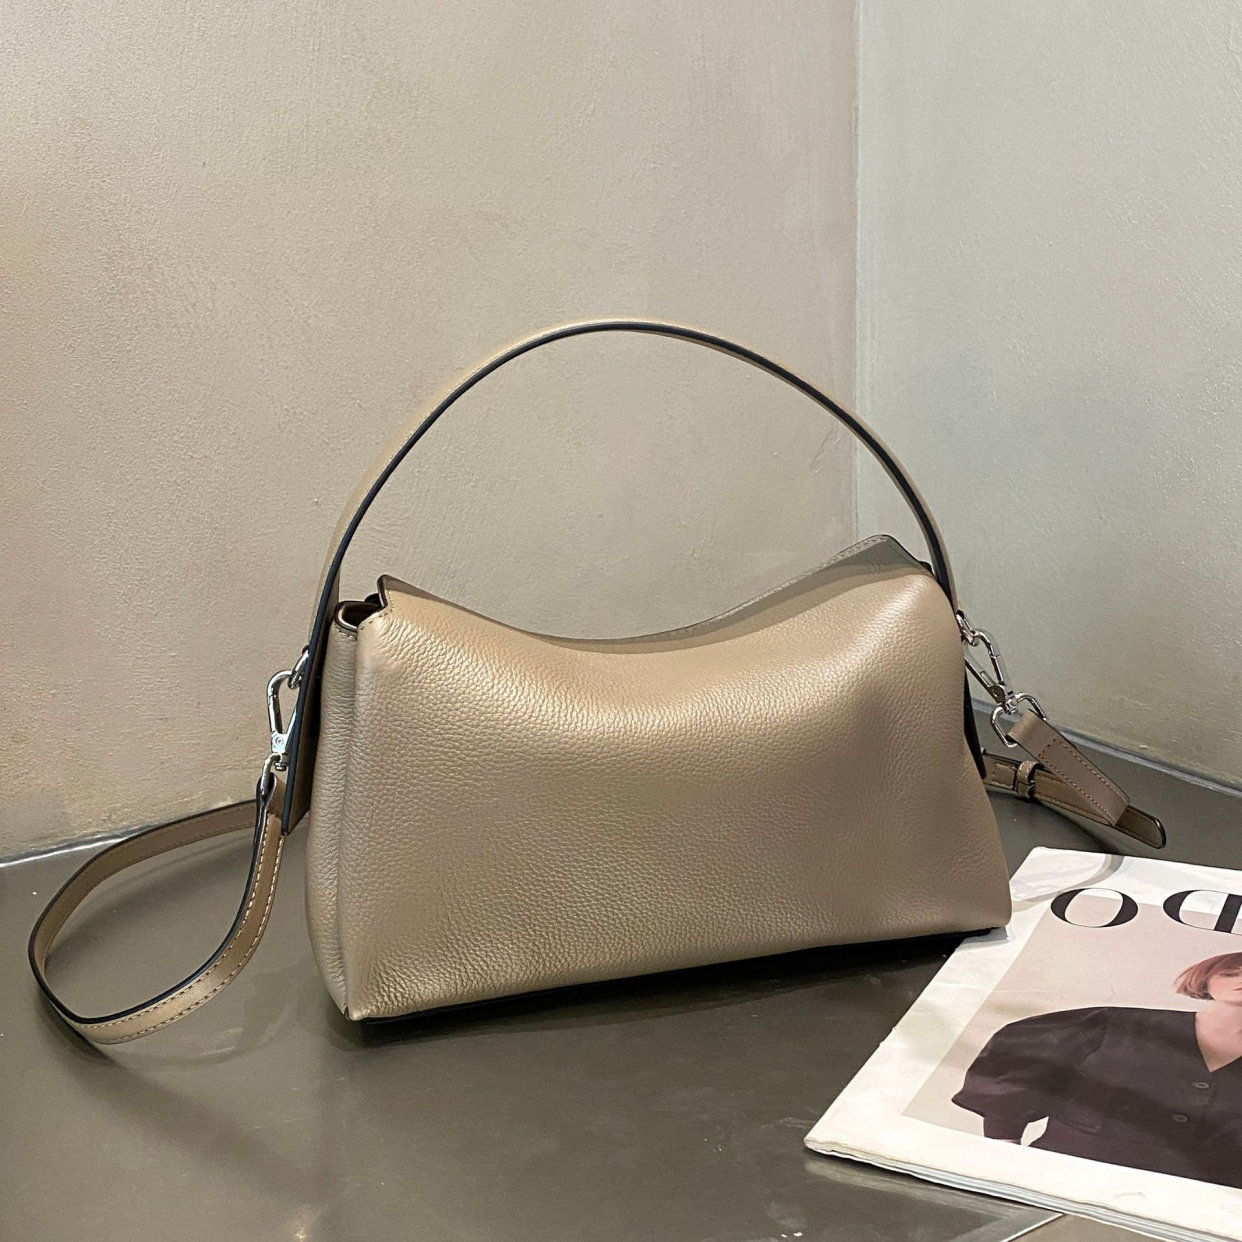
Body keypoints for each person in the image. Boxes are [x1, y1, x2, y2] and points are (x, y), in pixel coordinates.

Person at [952, 951, 1242, 1189]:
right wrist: (1005, 1149)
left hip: (1205, 1200)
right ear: (1206, 979)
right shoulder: (1112, 1024)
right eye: (1231, 972)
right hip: (1065, 1176)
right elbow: (1019, 1074)